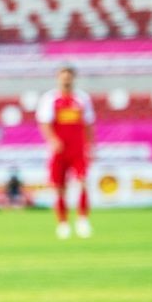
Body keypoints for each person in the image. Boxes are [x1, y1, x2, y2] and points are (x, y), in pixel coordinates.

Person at [36, 66, 95, 239]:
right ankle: (63, 223)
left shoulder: (82, 99)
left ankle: (83, 220)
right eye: (63, 77)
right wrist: (53, 140)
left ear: (73, 78)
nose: (66, 80)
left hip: (78, 148)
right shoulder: (49, 99)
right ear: (58, 79)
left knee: (83, 181)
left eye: (69, 77)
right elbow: (44, 123)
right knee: (60, 187)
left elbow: (89, 124)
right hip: (59, 150)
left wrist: (90, 145)